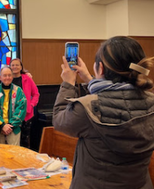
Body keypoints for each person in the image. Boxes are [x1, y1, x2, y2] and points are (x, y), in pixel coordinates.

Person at [53, 36, 154, 189]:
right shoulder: (151, 101)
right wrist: (89, 79)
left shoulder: (87, 108)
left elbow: (60, 120)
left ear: (100, 68)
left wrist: (68, 83)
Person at [0, 66, 27, 145]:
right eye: (4, 75)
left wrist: (10, 126)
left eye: (9, 75)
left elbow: (21, 109)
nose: (7, 77)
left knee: (13, 154)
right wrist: (2, 125)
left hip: (13, 128)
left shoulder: (18, 91)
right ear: (0, 77)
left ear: (12, 77)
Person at [10, 58, 39, 148]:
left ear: (21, 67)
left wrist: (31, 104)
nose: (15, 67)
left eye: (17, 65)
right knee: (13, 141)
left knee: (25, 141)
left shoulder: (27, 78)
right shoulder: (7, 78)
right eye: (13, 65)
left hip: (26, 114)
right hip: (11, 114)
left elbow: (36, 94)